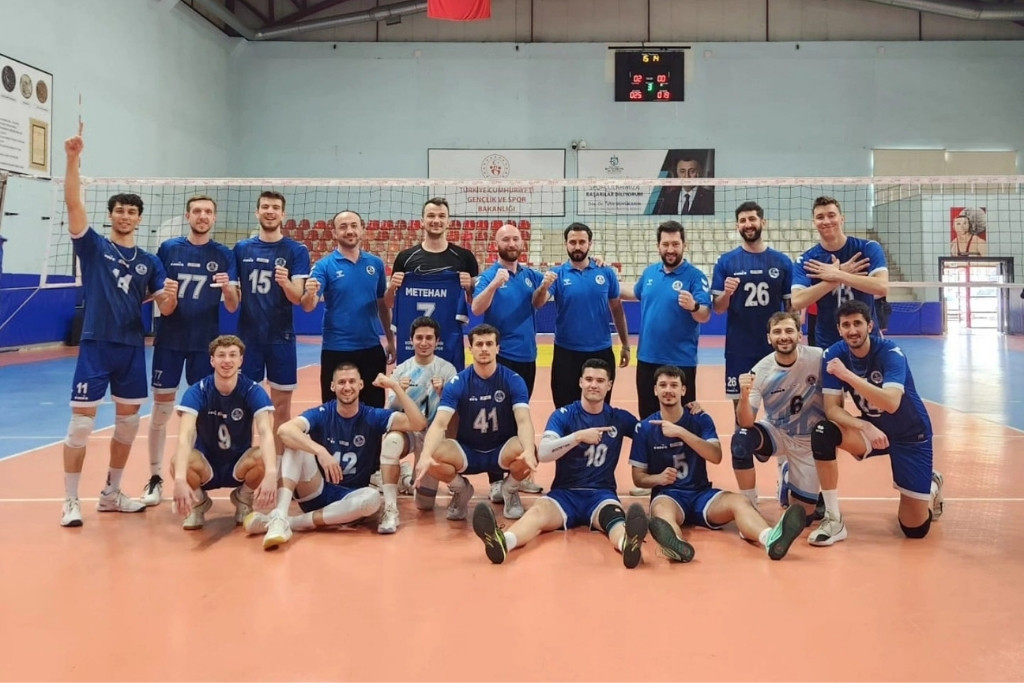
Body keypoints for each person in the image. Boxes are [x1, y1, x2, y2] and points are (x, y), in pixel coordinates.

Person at [60, 122, 177, 527]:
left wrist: (168, 296)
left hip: (130, 348)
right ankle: (70, 500)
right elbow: (73, 205)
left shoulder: (150, 261)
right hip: (96, 343)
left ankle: (111, 493)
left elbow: (167, 306)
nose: (125, 216)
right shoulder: (94, 247)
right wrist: (72, 160)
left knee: (127, 425)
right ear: (111, 215)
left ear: (139, 219)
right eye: (120, 211)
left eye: (132, 212)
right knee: (81, 425)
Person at [470, 359, 649, 568]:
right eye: (589, 379)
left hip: (601, 495)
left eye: (600, 381)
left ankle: (628, 544)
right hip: (564, 494)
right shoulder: (564, 416)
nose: (593, 385)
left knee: (615, 520)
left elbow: (649, 436)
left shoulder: (619, 418)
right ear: (580, 382)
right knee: (537, 512)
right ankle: (503, 543)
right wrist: (577, 437)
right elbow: (544, 453)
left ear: (609, 385)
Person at [630, 365, 807, 562]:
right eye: (663, 385)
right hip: (669, 496)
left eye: (674, 385)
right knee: (661, 513)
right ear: (655, 390)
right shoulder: (645, 428)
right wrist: (658, 478)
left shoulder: (700, 419)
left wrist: (680, 432)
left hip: (701, 494)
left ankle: (770, 538)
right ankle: (675, 545)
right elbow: (638, 477)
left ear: (683, 390)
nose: (668, 390)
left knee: (740, 501)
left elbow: (716, 456)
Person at [245, 363, 426, 548]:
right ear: (332, 386)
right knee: (295, 442)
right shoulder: (323, 413)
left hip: (349, 498)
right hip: (316, 490)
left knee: (372, 499)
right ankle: (280, 515)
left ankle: (289, 522)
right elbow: (284, 430)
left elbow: (418, 423)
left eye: (352, 382)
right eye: (341, 382)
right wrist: (320, 451)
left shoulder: (372, 416)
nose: (347, 387)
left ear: (361, 385)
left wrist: (395, 387)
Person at [808, 300, 944, 546]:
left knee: (914, 529)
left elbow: (891, 403)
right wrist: (864, 426)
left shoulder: (891, 353)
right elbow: (832, 410)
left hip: (911, 435)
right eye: (846, 325)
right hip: (874, 430)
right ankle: (833, 519)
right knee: (823, 431)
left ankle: (931, 485)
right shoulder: (834, 354)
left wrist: (847, 375)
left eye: (857, 323)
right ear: (839, 329)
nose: (852, 330)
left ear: (870, 326)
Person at [145, 194, 239, 507]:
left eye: (208, 211)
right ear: (188, 216)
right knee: (161, 409)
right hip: (170, 340)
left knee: (200, 413)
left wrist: (227, 289)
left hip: (205, 344)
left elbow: (232, 305)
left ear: (214, 217)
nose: (202, 216)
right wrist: (165, 297)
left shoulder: (223, 254)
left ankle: (197, 478)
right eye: (197, 211)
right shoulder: (169, 249)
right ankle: (155, 476)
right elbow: (159, 295)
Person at [414, 324, 536, 522]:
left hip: (501, 449)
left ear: (498, 348)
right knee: (432, 456)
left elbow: (523, 421)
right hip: (467, 451)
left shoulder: (513, 380)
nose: (484, 348)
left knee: (529, 449)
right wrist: (425, 455)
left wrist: (529, 451)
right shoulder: (458, 382)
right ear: (470, 348)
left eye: (489, 344)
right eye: (479, 344)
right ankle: (461, 490)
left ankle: (510, 489)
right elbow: (439, 424)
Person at [170, 335, 278, 530]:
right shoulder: (197, 391)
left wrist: (271, 473)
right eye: (221, 355)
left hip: (239, 464)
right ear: (212, 360)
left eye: (232, 355)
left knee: (264, 457)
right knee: (178, 460)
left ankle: (243, 498)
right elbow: (185, 435)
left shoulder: (252, 390)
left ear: (241, 360)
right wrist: (179, 480)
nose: (227, 360)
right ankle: (199, 503)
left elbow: (266, 432)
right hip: (206, 465)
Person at [472, 223, 546, 499]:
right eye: (506, 239)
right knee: (498, 419)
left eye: (515, 238)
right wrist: (494, 285)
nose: (511, 243)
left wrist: (596, 262)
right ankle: (495, 479)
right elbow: (476, 308)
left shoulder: (530, 275)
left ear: (522, 243)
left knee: (520, 416)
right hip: (500, 358)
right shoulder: (489, 275)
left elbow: (542, 299)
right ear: (497, 244)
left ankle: (519, 475)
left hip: (528, 357)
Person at [233, 191, 310, 458]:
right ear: (257, 212)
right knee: (244, 404)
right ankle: (243, 463)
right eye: (265, 206)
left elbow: (298, 297)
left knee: (281, 407)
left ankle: (276, 465)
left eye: (275, 207)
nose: (270, 211)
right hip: (248, 338)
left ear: (283, 214)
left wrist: (285, 282)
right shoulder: (241, 249)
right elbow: (233, 298)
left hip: (281, 336)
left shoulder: (296, 250)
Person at [732, 311, 823, 517]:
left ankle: (787, 476)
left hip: (808, 441)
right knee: (741, 439)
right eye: (777, 332)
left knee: (802, 515)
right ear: (769, 338)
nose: (783, 336)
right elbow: (746, 422)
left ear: (799, 335)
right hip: (777, 432)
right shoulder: (760, 371)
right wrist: (743, 396)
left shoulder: (818, 358)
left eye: (789, 331)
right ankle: (749, 505)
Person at [302, 209, 395, 406]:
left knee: (374, 410)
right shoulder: (323, 266)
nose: (349, 231)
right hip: (337, 349)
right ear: (334, 233)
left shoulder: (376, 264)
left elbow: (382, 305)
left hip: (371, 348)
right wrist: (310, 293)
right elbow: (308, 306)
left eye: (354, 226)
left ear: (362, 229)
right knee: (334, 410)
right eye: (343, 227)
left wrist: (390, 340)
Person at [533, 222, 630, 408]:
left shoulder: (606, 272)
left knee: (599, 408)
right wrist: (543, 286)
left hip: (600, 351)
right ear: (566, 244)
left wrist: (625, 345)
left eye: (582, 242)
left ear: (590, 244)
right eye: (573, 242)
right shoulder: (557, 274)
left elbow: (617, 310)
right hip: (566, 353)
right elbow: (537, 303)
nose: (577, 246)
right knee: (564, 408)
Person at [623, 220, 710, 420]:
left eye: (675, 244)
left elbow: (704, 315)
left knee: (683, 420)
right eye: (666, 244)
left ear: (684, 245)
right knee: (648, 419)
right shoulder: (650, 272)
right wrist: (603, 274)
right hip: (647, 359)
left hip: (680, 361)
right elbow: (633, 292)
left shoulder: (695, 277)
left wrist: (694, 306)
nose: (670, 249)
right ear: (658, 246)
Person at [712, 202, 792, 413]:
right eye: (743, 220)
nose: (748, 224)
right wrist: (727, 293)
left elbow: (791, 308)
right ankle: (743, 437)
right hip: (739, 348)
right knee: (742, 410)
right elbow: (718, 308)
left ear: (763, 222)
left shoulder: (782, 262)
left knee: (780, 409)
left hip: (775, 346)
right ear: (737, 226)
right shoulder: (726, 262)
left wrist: (793, 335)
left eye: (752, 219)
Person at [385, 197, 478, 370]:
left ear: (448, 221)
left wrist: (468, 288)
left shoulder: (465, 257)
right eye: (431, 216)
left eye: (442, 216)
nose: (436, 220)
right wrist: (391, 288)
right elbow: (389, 303)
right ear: (422, 221)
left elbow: (475, 304)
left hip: (448, 344)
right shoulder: (405, 257)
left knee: (449, 384)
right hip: (414, 346)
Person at [378, 316, 457, 518]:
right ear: (411, 340)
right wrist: (400, 392)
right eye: (419, 338)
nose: (424, 342)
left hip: (433, 436)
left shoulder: (447, 370)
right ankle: (390, 507)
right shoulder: (401, 371)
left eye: (429, 338)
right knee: (391, 442)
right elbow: (390, 410)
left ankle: (406, 478)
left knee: (424, 505)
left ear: (437, 341)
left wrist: (443, 393)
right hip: (408, 432)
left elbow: (456, 412)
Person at [791, 196, 888, 349]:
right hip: (827, 343)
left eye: (831, 215)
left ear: (842, 219)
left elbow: (881, 287)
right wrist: (835, 279)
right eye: (820, 217)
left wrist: (838, 274)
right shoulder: (807, 259)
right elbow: (797, 301)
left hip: (866, 341)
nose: (826, 221)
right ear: (814, 222)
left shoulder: (867, 248)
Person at [650, 154, 715, 216]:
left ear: (699, 173)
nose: (687, 176)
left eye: (692, 171)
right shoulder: (668, 197)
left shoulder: (710, 198)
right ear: (677, 173)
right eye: (682, 171)